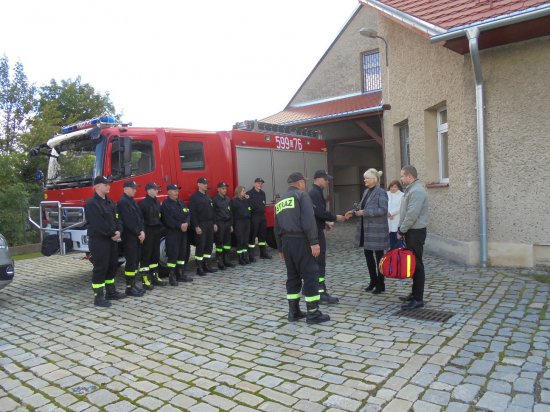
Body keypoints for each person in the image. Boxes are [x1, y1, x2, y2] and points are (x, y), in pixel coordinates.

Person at [275, 172, 330, 325]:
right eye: (304, 182)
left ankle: (294, 312)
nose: (305, 184)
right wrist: (314, 241)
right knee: (310, 274)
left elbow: (277, 226)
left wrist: (280, 248)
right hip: (302, 241)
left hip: (287, 243)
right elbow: (308, 220)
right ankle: (313, 313)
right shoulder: (302, 196)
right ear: (299, 183)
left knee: (292, 277)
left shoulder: (281, 200)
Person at [85, 176, 126, 307]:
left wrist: (120, 230)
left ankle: (111, 292)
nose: (108, 186)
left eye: (109, 184)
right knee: (100, 267)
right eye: (105, 184)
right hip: (99, 241)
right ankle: (98, 297)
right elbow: (98, 224)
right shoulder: (91, 203)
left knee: (112, 265)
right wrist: (113, 234)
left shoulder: (110, 202)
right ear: (96, 186)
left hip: (112, 240)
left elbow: (117, 217)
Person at [346, 168, 389, 294]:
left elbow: (383, 210)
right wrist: (353, 212)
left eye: (367, 178)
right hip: (366, 229)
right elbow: (360, 207)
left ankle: (381, 284)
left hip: (377, 230)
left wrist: (365, 212)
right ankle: (373, 281)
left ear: (374, 180)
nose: (364, 180)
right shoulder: (366, 192)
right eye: (364, 178)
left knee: (379, 258)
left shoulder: (381, 192)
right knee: (368, 256)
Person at [309, 170, 346, 304]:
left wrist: (324, 224)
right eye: (325, 179)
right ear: (318, 179)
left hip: (317, 228)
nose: (327, 181)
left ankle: (314, 289)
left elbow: (314, 215)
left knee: (317, 262)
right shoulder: (315, 193)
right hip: (316, 233)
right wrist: (335, 217)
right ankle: (320, 292)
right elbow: (319, 212)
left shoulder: (316, 192)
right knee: (319, 262)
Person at [397, 165, 429, 309]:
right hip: (411, 231)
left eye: (402, 176)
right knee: (413, 264)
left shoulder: (417, 191)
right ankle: (414, 294)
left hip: (415, 232)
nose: (401, 178)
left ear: (410, 176)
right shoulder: (411, 189)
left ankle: (418, 299)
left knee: (417, 265)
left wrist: (401, 231)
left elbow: (411, 215)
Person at [117, 180, 146, 297]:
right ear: (125, 189)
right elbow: (128, 221)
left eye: (136, 188)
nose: (135, 190)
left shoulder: (132, 201)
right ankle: (129, 287)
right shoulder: (123, 202)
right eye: (133, 188)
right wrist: (139, 232)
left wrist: (142, 230)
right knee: (131, 262)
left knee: (135, 261)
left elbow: (140, 218)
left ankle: (133, 285)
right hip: (130, 237)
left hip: (137, 236)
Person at [161, 183, 192, 286]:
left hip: (183, 233)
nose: (176, 192)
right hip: (173, 233)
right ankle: (172, 276)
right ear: (169, 192)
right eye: (174, 191)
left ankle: (180, 274)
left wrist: (187, 223)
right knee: (173, 255)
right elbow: (167, 219)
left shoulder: (181, 202)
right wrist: (180, 225)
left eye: (177, 191)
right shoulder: (165, 204)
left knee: (182, 253)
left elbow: (188, 213)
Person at [138, 182, 167, 288]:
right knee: (146, 255)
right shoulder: (142, 204)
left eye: (157, 189)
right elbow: (140, 220)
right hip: (147, 232)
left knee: (155, 255)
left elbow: (160, 217)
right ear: (149, 190)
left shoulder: (157, 203)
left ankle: (154, 276)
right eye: (155, 189)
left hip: (156, 231)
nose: (157, 191)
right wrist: (141, 232)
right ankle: (145, 278)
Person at [189, 177, 218, 276]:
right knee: (201, 246)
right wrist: (196, 226)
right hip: (201, 224)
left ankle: (207, 265)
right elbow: (193, 214)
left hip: (209, 224)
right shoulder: (194, 197)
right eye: (204, 183)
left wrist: (214, 223)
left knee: (209, 246)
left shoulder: (208, 197)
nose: (206, 185)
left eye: (206, 183)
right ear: (198, 184)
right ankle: (199, 267)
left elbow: (212, 212)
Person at [247, 177, 271, 261]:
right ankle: (251, 255)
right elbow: (248, 206)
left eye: (261, 183)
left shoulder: (263, 193)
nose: (260, 185)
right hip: (254, 217)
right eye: (258, 183)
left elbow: (263, 204)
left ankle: (263, 253)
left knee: (262, 235)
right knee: (252, 236)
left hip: (262, 216)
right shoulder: (249, 193)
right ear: (254, 183)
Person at [213, 182, 235, 270]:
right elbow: (213, 213)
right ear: (218, 189)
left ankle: (227, 260)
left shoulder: (228, 199)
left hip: (227, 223)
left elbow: (230, 213)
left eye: (225, 188)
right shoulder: (214, 200)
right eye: (223, 188)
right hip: (219, 223)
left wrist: (231, 224)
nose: (225, 190)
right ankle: (220, 261)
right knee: (219, 243)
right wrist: (214, 223)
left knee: (227, 243)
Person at [232, 186, 251, 265]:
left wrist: (248, 199)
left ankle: (245, 256)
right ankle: (240, 258)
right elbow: (232, 214)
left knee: (245, 240)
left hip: (246, 221)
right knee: (240, 240)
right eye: (243, 191)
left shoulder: (245, 200)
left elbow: (249, 209)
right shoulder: (234, 201)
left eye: (245, 191)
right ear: (239, 192)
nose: (245, 192)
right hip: (239, 222)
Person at [387, 179, 404, 249]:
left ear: (399, 187)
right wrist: (387, 213)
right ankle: (392, 257)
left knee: (398, 242)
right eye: (391, 186)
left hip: (397, 219)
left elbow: (400, 207)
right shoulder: (386, 194)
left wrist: (391, 213)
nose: (392, 188)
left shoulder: (402, 195)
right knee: (391, 243)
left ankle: (400, 257)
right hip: (388, 220)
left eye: (395, 187)